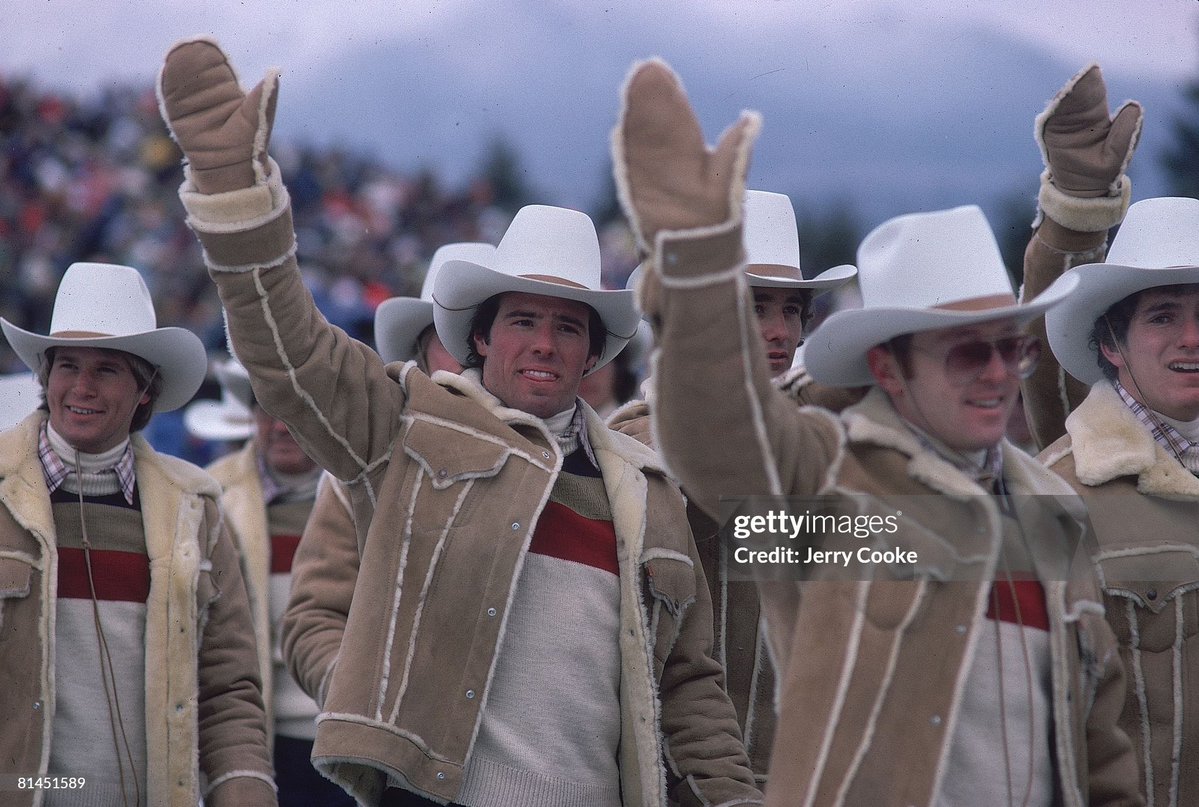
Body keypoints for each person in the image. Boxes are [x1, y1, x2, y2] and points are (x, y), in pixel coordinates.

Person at [157, 38, 761, 807]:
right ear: (478, 336)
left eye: (567, 327)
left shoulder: (653, 482)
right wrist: (235, 200)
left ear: (592, 355)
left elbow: (690, 683)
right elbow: (292, 358)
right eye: (524, 321)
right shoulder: (409, 429)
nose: (544, 342)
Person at [611, 59, 1142, 806]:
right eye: (966, 349)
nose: (997, 373)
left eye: (1007, 345)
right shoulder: (826, 482)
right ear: (887, 371)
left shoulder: (1051, 513)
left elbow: (1098, 752)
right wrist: (696, 272)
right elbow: (726, 452)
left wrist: (1073, 212)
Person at [0, 262, 275, 806]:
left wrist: (245, 793)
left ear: (145, 389)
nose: (81, 387)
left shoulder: (196, 510)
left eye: (106, 370)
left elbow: (228, 691)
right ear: (44, 377)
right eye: (68, 366)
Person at [607, 187, 857, 783]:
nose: (776, 331)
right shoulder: (638, 444)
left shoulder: (829, 447)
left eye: (790, 310)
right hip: (678, 777)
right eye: (754, 307)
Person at [1023, 64, 1199, 807]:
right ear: (1112, 346)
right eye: (1162, 314)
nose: (1191, 339)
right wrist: (1075, 207)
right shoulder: (1055, 497)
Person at [186, 356, 349, 807]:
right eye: (265, 408)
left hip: (350, 744)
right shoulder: (207, 497)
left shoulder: (367, 494)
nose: (278, 426)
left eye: (293, 409)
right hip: (254, 747)